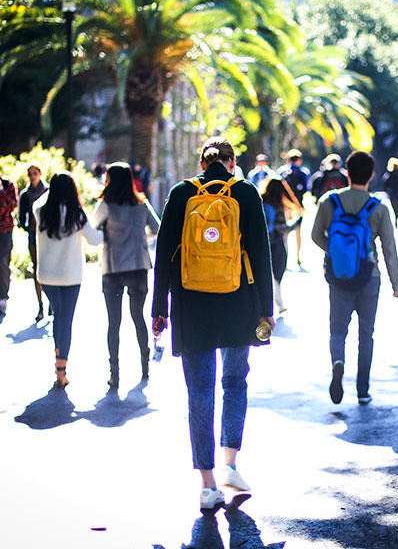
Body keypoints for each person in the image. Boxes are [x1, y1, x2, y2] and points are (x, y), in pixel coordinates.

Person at [151, 137, 275, 510]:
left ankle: (206, 485)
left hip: (192, 309)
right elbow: (261, 253)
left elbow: (164, 254)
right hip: (239, 306)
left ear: (202, 164)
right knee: (235, 382)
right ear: (232, 164)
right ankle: (230, 465)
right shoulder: (246, 193)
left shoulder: (180, 193)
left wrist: (159, 308)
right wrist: (266, 310)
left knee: (199, 393)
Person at [311, 150, 398, 406]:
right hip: (369, 276)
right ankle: (363, 390)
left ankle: (338, 361)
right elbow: (389, 248)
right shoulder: (378, 206)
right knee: (366, 334)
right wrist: (396, 284)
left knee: (337, 330)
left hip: (338, 276)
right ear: (371, 175)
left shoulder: (329, 201)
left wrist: (335, 252)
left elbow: (316, 236)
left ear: (347, 173)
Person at [90, 163, 161, 388]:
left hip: (113, 268)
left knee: (114, 322)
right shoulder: (141, 203)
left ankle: (115, 374)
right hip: (139, 266)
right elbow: (157, 227)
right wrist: (141, 238)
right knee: (138, 318)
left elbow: (92, 229)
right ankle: (145, 367)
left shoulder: (106, 205)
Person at [33, 172, 103, 385]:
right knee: (66, 321)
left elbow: (38, 201)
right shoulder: (77, 214)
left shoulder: (40, 211)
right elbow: (94, 240)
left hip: (46, 276)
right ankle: (61, 372)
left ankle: (59, 365)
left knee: (58, 319)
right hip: (70, 277)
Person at [261, 174, 303, 314]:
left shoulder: (261, 200)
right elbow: (283, 227)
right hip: (276, 242)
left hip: (262, 242)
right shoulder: (278, 204)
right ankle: (279, 303)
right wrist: (297, 221)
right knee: (278, 273)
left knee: (265, 274)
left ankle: (271, 303)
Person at [18, 164, 49, 320]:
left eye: (35, 173)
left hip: (49, 235)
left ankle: (51, 302)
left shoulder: (48, 191)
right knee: (37, 270)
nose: (32, 176)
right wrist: (28, 227)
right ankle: (40, 305)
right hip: (33, 236)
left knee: (49, 267)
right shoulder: (25, 195)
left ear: (40, 174)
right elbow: (21, 217)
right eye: (30, 174)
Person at [277, 149, 310, 267]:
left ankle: (286, 256)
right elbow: (306, 189)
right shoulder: (303, 172)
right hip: (298, 205)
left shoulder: (281, 171)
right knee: (298, 232)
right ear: (299, 160)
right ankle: (298, 256)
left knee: (284, 232)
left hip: (284, 205)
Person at [0, 170, 18, 317]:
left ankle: (3, 298)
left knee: (3, 263)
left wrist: (1, 190)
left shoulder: (8, 185)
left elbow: (11, 205)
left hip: (5, 231)